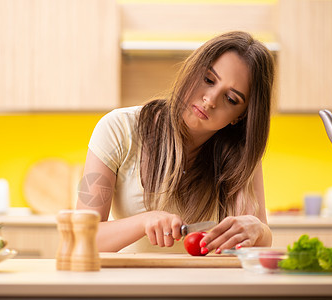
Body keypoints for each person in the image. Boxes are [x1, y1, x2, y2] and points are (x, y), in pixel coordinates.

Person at [76, 31, 275, 254]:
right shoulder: (116, 129)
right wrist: (144, 221)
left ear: (241, 116)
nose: (210, 100)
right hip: (129, 286)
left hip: (206, 287)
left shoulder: (242, 153)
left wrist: (259, 230)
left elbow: (259, 240)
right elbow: (82, 237)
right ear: (193, 71)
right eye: (208, 79)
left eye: (231, 99)